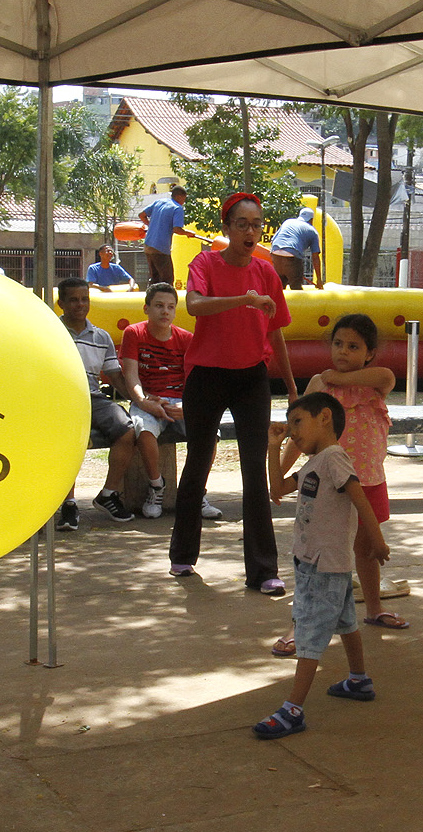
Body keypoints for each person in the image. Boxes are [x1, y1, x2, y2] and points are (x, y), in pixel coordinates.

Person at [170, 192, 298, 593]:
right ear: (226, 228)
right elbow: (194, 305)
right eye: (241, 224)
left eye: (256, 224)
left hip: (251, 378)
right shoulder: (205, 263)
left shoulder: (267, 273)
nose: (250, 231)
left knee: (254, 472)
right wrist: (243, 300)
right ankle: (183, 555)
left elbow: (276, 332)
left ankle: (263, 570)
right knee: (199, 461)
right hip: (206, 377)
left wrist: (293, 387)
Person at [252, 393, 392, 739]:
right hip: (318, 563)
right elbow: (277, 490)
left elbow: (359, 496)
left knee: (310, 635)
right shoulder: (314, 463)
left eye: (298, 422)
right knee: (346, 623)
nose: (293, 432)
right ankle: (358, 680)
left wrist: (377, 540)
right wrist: (273, 447)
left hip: (325, 566)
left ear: (324, 418)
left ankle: (293, 710)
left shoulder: (333, 459)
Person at [287, 314, 407, 643]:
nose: (343, 352)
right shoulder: (317, 384)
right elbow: (298, 431)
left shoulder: (376, 380)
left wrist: (337, 379)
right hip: (328, 486)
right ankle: (299, 625)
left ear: (369, 353)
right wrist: (283, 470)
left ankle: (373, 608)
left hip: (370, 480)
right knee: (317, 554)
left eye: (353, 347)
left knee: (367, 549)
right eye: (338, 344)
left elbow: (387, 374)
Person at [54, 277, 140, 526]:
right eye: (73, 300)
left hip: (93, 397)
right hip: (62, 398)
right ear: (61, 303)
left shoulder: (101, 337)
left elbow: (115, 376)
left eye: (84, 299)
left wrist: (138, 401)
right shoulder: (53, 332)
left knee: (126, 428)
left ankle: (108, 494)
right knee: (70, 438)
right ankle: (68, 503)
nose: (80, 305)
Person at [119, 282, 193, 520]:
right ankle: (156, 486)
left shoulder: (186, 338)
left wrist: (187, 405)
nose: (165, 312)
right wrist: (143, 401)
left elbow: (194, 380)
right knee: (143, 430)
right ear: (146, 308)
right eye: (159, 306)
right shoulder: (134, 333)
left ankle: (196, 491)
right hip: (149, 398)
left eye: (171, 307)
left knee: (209, 432)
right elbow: (131, 374)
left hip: (180, 401)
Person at [141, 185, 193, 285]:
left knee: (155, 277)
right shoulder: (177, 208)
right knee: (167, 279)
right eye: (184, 199)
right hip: (160, 248)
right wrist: (188, 233)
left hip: (148, 245)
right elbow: (177, 229)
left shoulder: (159, 202)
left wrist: (151, 225)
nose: (184, 202)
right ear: (179, 196)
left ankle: (151, 298)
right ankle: (165, 299)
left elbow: (142, 215)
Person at [269, 205, 324, 290]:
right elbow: (315, 257)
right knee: (296, 289)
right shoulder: (312, 231)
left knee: (279, 289)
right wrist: (319, 280)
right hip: (292, 257)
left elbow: (273, 241)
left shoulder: (288, 222)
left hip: (275, 255)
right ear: (311, 220)